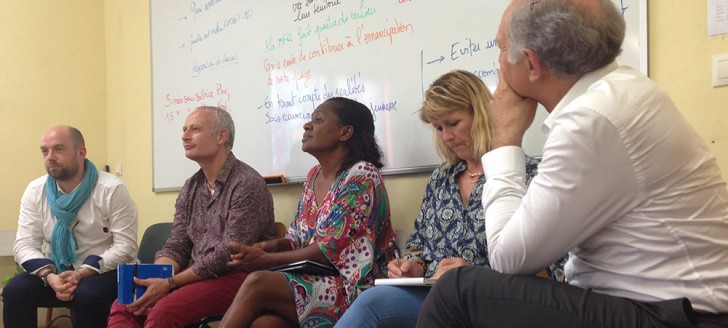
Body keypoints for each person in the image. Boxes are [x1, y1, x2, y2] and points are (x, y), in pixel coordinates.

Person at [418, 1, 728, 327]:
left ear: (532, 63)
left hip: (680, 317)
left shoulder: (591, 119)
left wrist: (505, 138)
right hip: (658, 305)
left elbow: (509, 258)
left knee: (457, 292)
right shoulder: (624, 91)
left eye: (501, 48)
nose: (497, 63)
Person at [336, 70, 560, 328]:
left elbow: (552, 272)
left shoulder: (528, 176)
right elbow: (418, 244)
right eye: (438, 128)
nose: (446, 137)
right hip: (438, 299)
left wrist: (474, 276)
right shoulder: (441, 180)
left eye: (453, 123)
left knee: (373, 304)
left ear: (482, 114)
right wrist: (413, 266)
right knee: (374, 301)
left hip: (498, 302)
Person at [217, 97, 397, 328]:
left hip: (358, 289)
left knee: (258, 282)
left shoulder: (362, 175)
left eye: (318, 120)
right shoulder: (313, 176)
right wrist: (268, 247)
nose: (307, 125)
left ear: (345, 132)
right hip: (318, 282)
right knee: (265, 324)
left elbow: (328, 249)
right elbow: (297, 238)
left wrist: (266, 260)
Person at [107, 106, 277, 327]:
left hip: (239, 277)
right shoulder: (191, 186)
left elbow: (229, 254)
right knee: (125, 304)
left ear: (221, 136)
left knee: (164, 311)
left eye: (194, 129)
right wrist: (157, 278)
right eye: (184, 129)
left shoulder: (247, 183)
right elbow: (178, 242)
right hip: (195, 275)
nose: (184, 136)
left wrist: (169, 283)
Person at [3, 125, 138, 328]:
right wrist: (49, 276)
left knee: (88, 294)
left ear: (81, 153)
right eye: (44, 151)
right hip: (56, 273)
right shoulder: (35, 191)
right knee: (15, 290)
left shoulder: (111, 189)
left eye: (58, 149)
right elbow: (24, 244)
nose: (50, 157)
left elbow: (126, 247)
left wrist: (81, 273)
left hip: (104, 272)